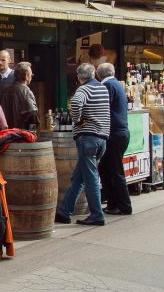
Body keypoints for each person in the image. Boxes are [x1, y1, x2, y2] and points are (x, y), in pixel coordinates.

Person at [55, 63, 110, 226]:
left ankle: (97, 215)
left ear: (79, 78)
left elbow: (76, 105)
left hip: (88, 138)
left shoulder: (82, 90)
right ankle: (65, 212)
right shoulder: (102, 88)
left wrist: (78, 121)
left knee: (90, 178)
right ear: (93, 75)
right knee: (78, 177)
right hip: (102, 138)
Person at [96, 63, 132, 216]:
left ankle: (124, 206)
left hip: (114, 134)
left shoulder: (108, 86)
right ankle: (112, 203)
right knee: (106, 169)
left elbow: (103, 108)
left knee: (115, 171)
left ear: (99, 75)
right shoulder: (117, 84)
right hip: (120, 133)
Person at [0, 61, 40, 130]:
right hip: (23, 135)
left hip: (7, 135)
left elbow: (0, 116)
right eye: (31, 75)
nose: (31, 77)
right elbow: (33, 116)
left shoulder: (5, 92)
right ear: (27, 76)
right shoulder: (26, 91)